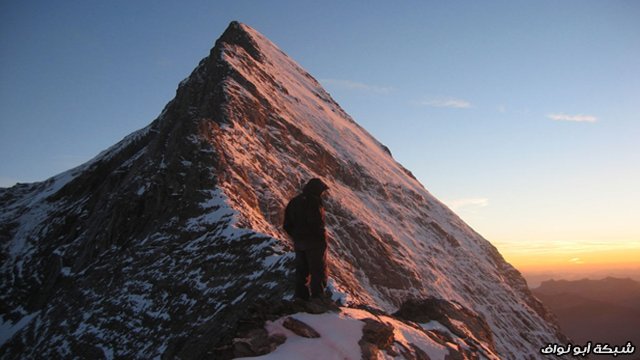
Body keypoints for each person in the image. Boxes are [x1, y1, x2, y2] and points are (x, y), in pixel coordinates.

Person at [283, 178, 330, 300]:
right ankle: (318, 297)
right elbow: (315, 222)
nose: (322, 194)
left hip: (299, 243)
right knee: (317, 270)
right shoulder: (314, 202)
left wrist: (296, 236)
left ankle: (300, 297)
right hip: (315, 243)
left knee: (302, 271)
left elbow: (286, 224)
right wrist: (320, 237)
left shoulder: (294, 201)